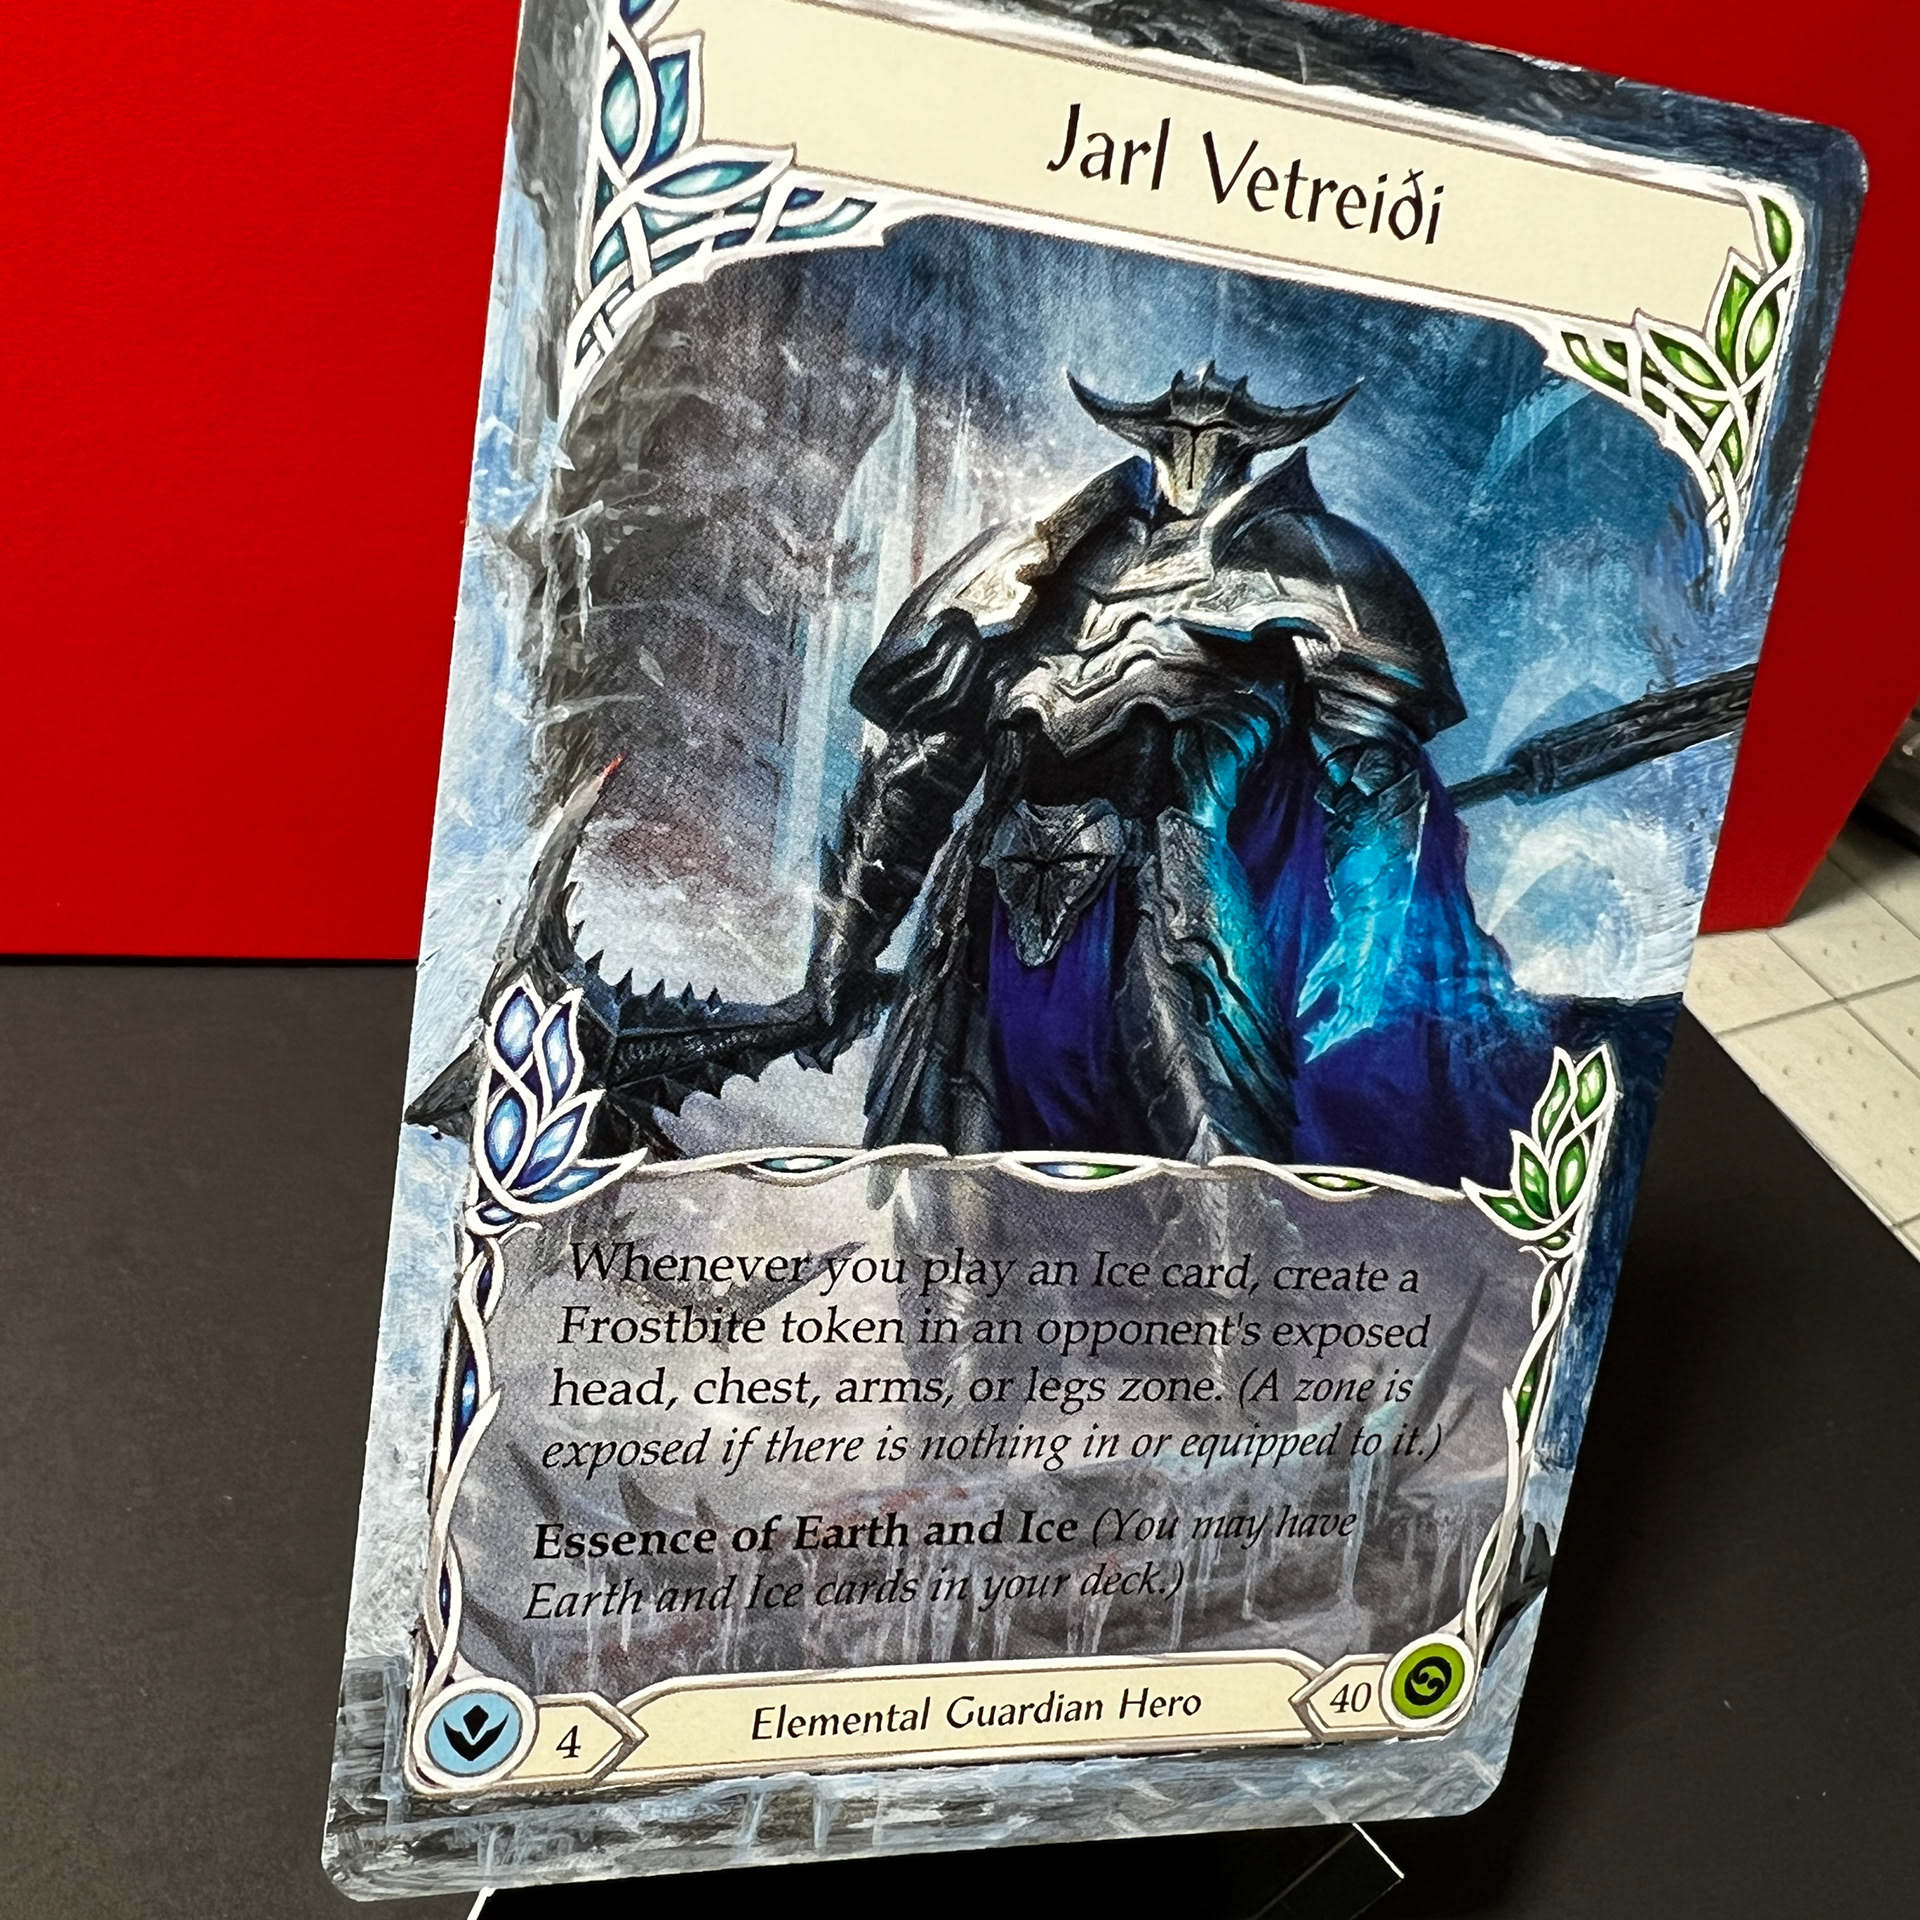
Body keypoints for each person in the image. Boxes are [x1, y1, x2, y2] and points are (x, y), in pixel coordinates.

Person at [799, 363, 1545, 1184]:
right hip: (979, 936)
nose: (1196, 446)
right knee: (943, 1199)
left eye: (1221, 435)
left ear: (1257, 446)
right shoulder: (1026, 563)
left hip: (1182, 923)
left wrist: (1369, 948)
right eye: (1175, 430)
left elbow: (1372, 781)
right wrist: (843, 949)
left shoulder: (1311, 567)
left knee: (1222, 1193)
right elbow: (924, 764)